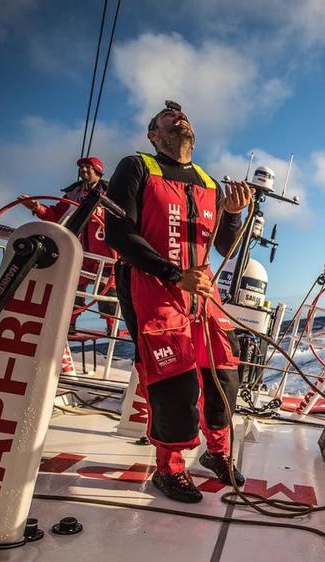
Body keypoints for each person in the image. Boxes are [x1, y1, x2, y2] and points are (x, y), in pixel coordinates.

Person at [104, 100, 255, 503]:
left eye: (182, 115)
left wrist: (234, 214)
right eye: (166, 117)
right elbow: (118, 234)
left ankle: (217, 455)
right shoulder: (136, 167)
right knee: (175, 382)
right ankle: (168, 471)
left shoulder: (209, 183)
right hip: (154, 287)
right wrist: (175, 275)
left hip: (203, 292)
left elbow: (225, 245)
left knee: (223, 375)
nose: (179, 117)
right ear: (153, 135)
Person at [19, 157, 119, 332]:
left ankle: (112, 328)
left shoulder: (113, 193)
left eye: (88, 167)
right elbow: (56, 215)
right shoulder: (73, 195)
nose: (84, 170)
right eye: (82, 168)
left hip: (107, 255)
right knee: (72, 289)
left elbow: (125, 217)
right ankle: (68, 327)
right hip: (79, 252)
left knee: (109, 293)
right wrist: (36, 207)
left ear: (98, 171)